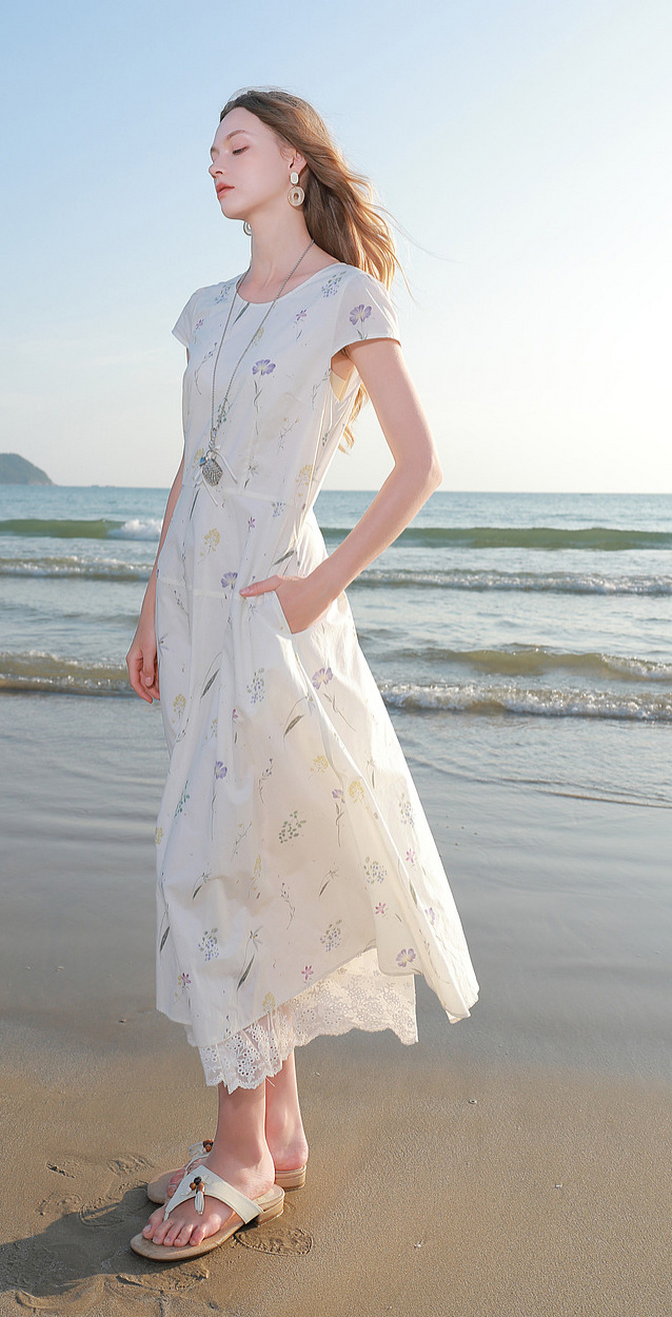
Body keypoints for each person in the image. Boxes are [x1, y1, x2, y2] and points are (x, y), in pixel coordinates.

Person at [126, 87, 478, 1261]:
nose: (214, 161)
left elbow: (418, 466)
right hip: (197, 615)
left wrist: (320, 589)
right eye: (208, 148)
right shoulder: (208, 309)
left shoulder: (345, 296)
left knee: (211, 867)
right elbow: (193, 462)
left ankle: (236, 1160)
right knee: (242, 855)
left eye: (237, 144)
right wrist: (152, 603)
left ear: (293, 165)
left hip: (274, 613)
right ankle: (274, 1137)